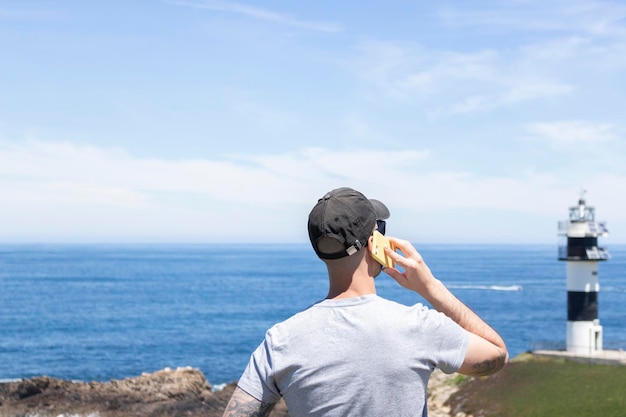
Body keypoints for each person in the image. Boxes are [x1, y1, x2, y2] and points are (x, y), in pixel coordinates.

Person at [222, 187, 508, 417]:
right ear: (375, 242)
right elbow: (497, 356)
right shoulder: (418, 326)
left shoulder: (280, 341)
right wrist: (431, 288)